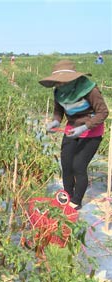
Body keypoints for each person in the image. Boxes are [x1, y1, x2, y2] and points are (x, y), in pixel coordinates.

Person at [41, 60, 109, 210]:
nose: (58, 85)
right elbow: (58, 111)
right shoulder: (58, 92)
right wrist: (56, 122)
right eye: (56, 82)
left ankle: (76, 201)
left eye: (62, 82)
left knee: (78, 166)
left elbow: (103, 112)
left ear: (72, 80)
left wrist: (84, 127)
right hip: (71, 130)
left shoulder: (90, 90)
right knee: (66, 165)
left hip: (91, 131)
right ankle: (67, 195)